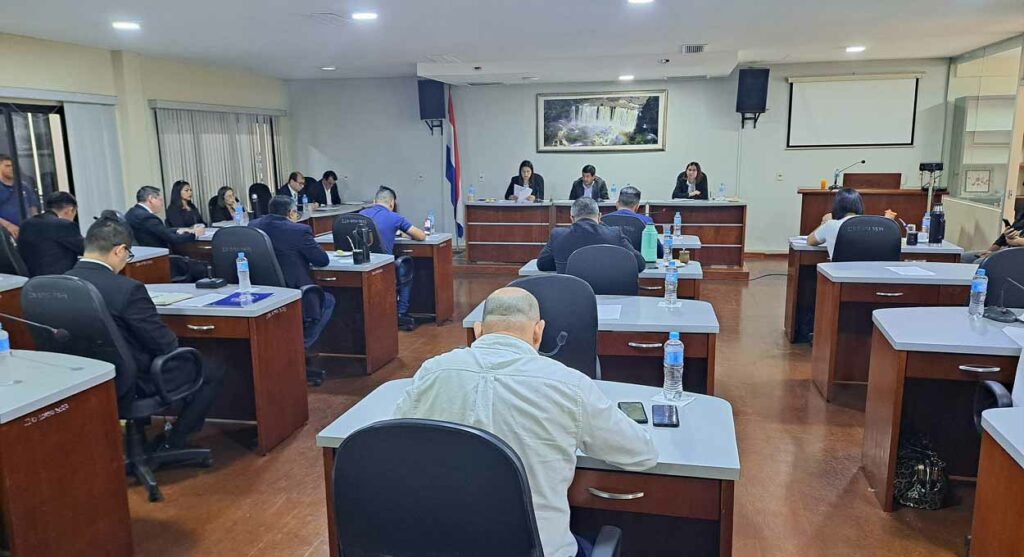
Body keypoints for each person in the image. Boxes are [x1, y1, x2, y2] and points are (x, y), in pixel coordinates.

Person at [395, 287, 657, 557]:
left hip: (443, 546)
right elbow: (642, 454)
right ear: (538, 332)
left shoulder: (432, 371)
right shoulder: (570, 385)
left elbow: (394, 441)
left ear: (478, 330)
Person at [66, 218, 223, 451]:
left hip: (86, 378)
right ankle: (175, 442)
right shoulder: (127, 289)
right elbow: (165, 344)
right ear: (119, 250)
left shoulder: (57, 284)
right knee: (212, 370)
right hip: (135, 379)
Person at [249, 195, 335, 347]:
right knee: (327, 300)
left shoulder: (253, 225)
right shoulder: (299, 230)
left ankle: (288, 349)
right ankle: (300, 347)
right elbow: (322, 260)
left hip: (262, 292)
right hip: (293, 291)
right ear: (291, 213)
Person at [359, 186, 426, 329]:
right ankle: (400, 314)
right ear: (392, 203)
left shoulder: (361, 214)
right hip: (382, 267)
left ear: (374, 201)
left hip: (361, 264)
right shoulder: (395, 217)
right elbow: (421, 236)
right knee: (405, 267)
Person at [537, 197, 645, 274]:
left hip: (571, 299)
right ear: (599, 217)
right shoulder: (614, 234)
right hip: (609, 298)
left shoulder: (557, 235)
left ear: (571, 218)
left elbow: (542, 264)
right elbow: (639, 264)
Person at [17, 191, 84, 276]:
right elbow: (88, 250)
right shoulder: (64, 225)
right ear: (70, 210)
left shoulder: (26, 224)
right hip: (60, 281)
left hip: (31, 281)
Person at [126, 186, 200, 249]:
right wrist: (195, 234)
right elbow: (172, 238)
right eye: (160, 200)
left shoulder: (132, 212)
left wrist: (178, 230)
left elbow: (160, 231)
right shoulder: (147, 218)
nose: (162, 204)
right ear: (151, 199)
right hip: (158, 257)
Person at [605, 185, 663, 258]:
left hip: (608, 265)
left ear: (617, 204)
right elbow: (658, 251)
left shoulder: (603, 220)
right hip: (637, 266)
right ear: (637, 206)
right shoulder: (646, 221)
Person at [807, 187, 864, 259]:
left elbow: (810, 241)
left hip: (840, 269)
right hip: (870, 269)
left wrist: (825, 224)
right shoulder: (873, 223)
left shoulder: (831, 225)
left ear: (837, 206)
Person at [0, 153, 41, 237]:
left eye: (13, 166)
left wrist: (35, 225)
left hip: (26, 232)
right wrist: (8, 226)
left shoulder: (24, 186)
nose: (12, 168)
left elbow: (33, 208)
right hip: (4, 235)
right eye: (7, 166)